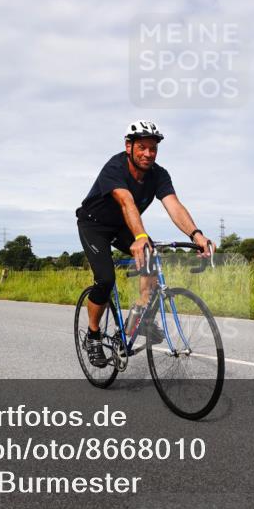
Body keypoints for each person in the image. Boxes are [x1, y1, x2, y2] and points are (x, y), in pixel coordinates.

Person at [76, 120, 214, 367]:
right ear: (129, 146)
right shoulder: (115, 167)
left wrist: (196, 234)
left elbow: (173, 204)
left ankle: (138, 321)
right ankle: (93, 335)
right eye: (142, 147)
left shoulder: (159, 174)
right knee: (105, 280)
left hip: (122, 226)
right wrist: (140, 236)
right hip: (94, 224)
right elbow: (126, 202)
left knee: (150, 260)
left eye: (153, 148)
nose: (148, 154)